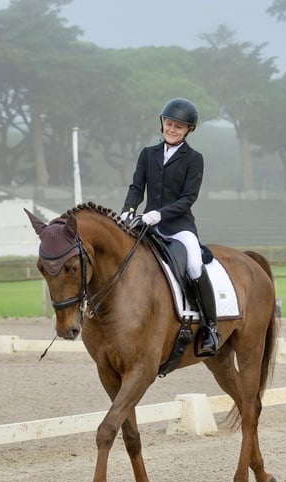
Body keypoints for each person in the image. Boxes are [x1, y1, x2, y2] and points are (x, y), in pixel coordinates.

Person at [119, 97, 220, 356]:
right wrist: (127, 212)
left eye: (178, 126)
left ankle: (211, 328)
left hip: (179, 227)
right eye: (169, 123)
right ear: (162, 123)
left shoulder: (194, 159)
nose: (172, 129)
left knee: (195, 265)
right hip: (147, 225)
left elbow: (188, 198)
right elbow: (136, 188)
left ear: (188, 130)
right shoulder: (148, 154)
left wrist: (158, 215)